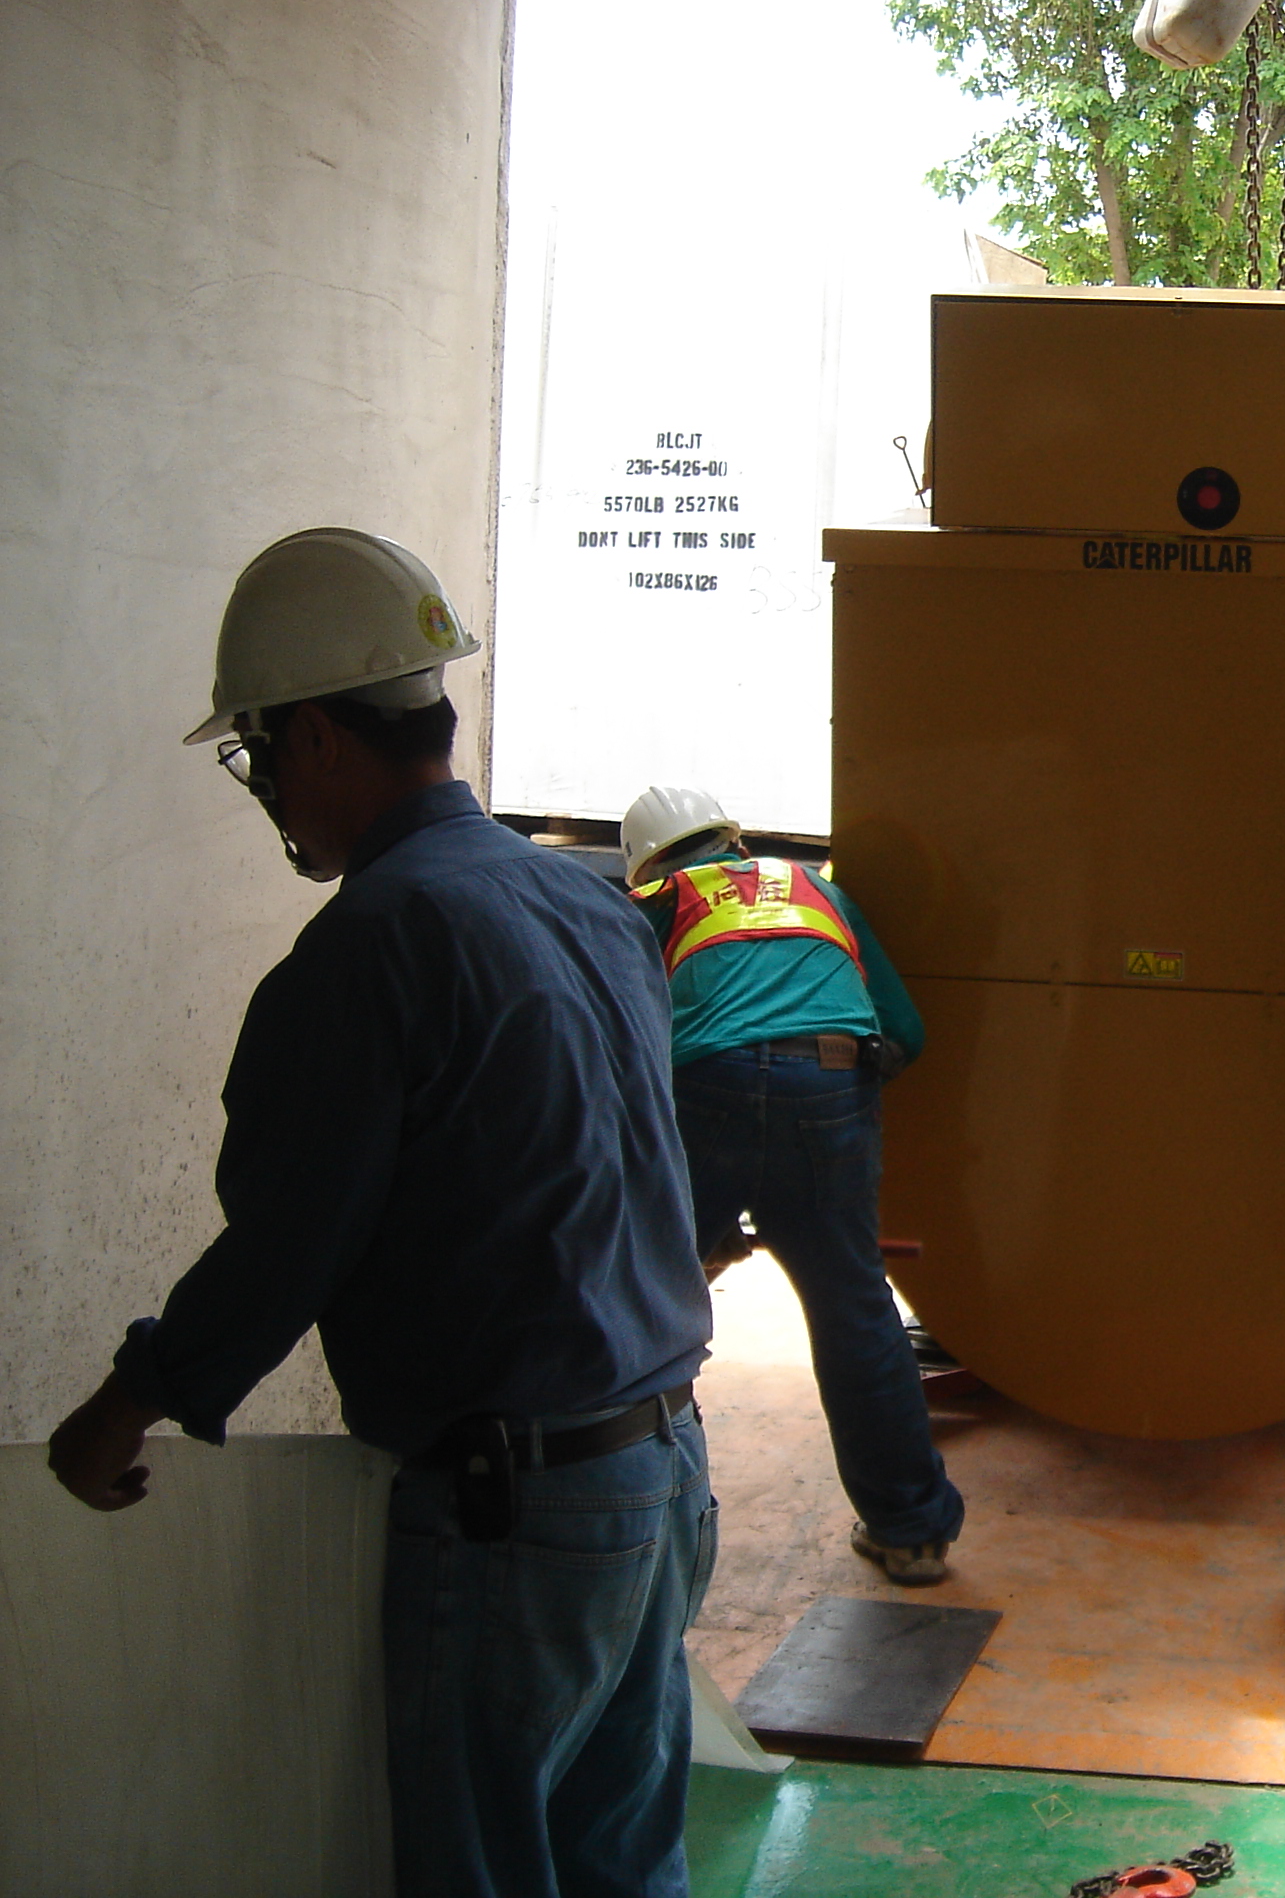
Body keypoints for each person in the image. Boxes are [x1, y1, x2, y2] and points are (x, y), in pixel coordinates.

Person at [45, 528, 717, 1897]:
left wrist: (132, 1398)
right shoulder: (584, 901)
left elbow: (295, 1236)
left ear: (317, 742)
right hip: (663, 1477)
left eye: (258, 761)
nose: (271, 800)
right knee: (623, 1870)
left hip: (518, 1519)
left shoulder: (372, 948)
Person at [621, 785, 965, 1585]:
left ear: (648, 860)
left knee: (649, 1305)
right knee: (853, 1308)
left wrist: (701, 1214)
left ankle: (638, 1527)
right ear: (732, 839)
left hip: (702, 1086)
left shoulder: (652, 901)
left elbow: (616, 1036)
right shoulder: (818, 890)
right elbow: (904, 1030)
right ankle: (910, 1532)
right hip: (833, 1081)